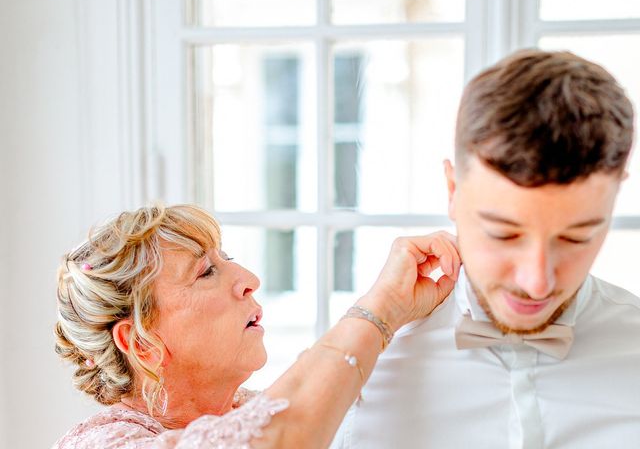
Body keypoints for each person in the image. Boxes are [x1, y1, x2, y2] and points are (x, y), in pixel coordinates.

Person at [332, 49, 640, 448]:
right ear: (453, 191)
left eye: (575, 238)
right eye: (504, 234)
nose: (537, 282)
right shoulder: (359, 367)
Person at [52, 204, 461, 448]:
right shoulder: (100, 445)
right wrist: (383, 307)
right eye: (206, 271)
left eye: (227, 257)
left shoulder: (249, 406)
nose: (249, 278)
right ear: (140, 342)